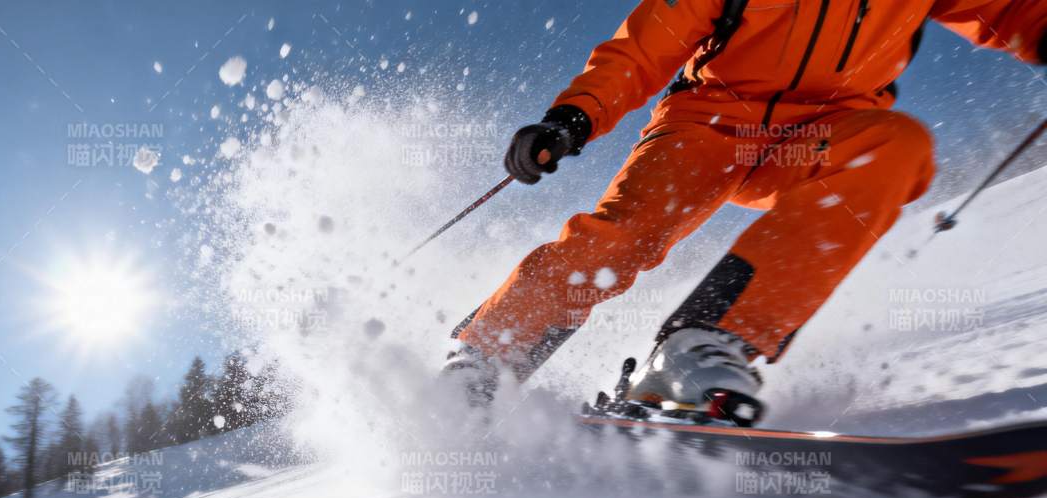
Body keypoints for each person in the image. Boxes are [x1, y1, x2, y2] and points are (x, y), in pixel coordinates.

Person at [446, 0, 1047, 422]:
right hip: (705, 126)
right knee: (626, 236)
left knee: (897, 145)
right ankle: (486, 357)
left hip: (819, 135)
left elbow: (1016, 11)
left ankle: (702, 349)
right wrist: (574, 116)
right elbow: (642, 50)